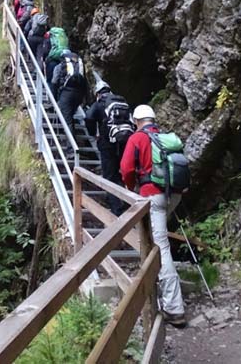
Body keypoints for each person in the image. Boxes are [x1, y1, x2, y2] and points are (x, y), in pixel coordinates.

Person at [121, 104, 186, 327]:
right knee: (156, 237)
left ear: (136, 121)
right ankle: (155, 281)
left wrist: (131, 189)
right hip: (173, 195)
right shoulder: (165, 138)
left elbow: (126, 169)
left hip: (152, 195)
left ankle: (174, 307)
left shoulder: (137, 138)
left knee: (161, 245)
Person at [85, 81, 133, 216]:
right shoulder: (121, 102)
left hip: (107, 144)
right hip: (124, 143)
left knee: (109, 176)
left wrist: (93, 133)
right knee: (121, 173)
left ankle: (117, 210)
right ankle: (125, 202)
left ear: (97, 93)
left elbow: (88, 117)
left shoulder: (100, 103)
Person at [51, 49, 88, 137]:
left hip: (66, 93)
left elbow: (54, 82)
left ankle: (71, 144)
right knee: (70, 116)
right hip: (78, 94)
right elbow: (85, 82)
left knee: (67, 120)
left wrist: (53, 98)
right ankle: (72, 138)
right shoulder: (79, 66)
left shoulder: (59, 67)